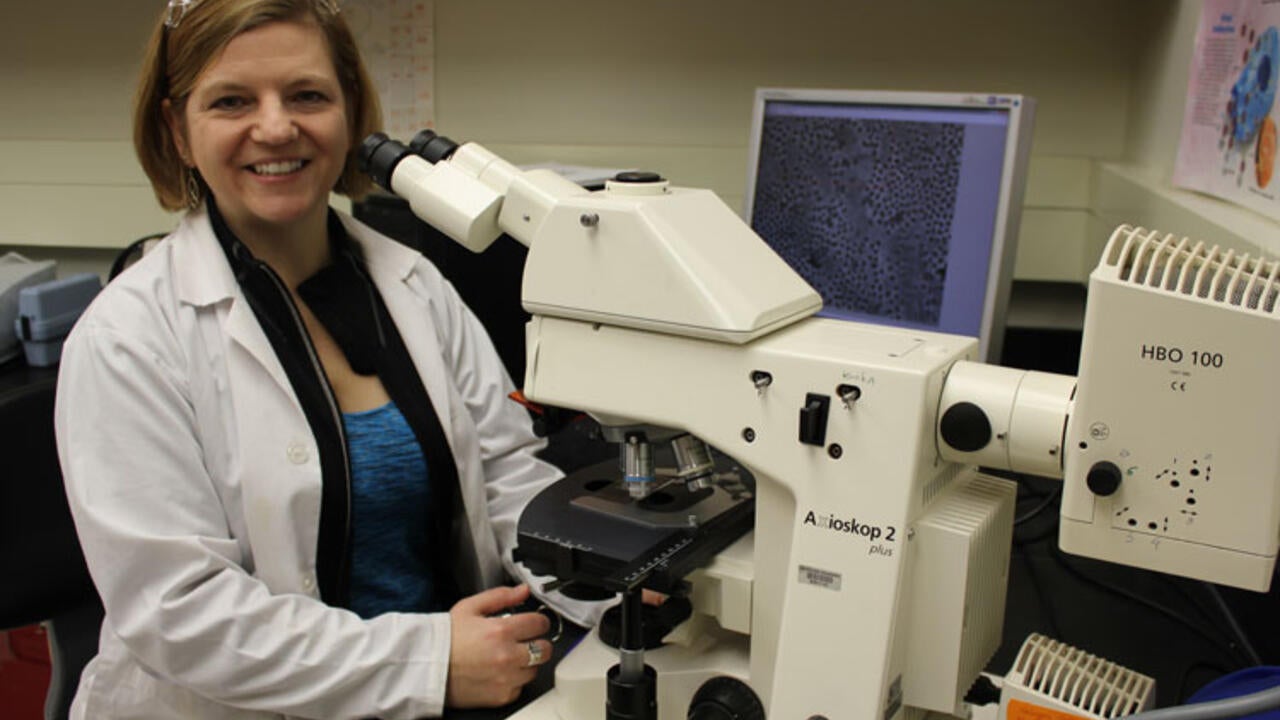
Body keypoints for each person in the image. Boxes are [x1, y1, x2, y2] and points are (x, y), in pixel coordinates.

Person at [53, 0, 603, 717]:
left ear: (350, 113)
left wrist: (604, 578)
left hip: (453, 688)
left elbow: (504, 473)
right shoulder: (128, 339)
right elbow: (181, 615)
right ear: (177, 132)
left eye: (308, 95)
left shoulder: (415, 284)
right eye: (231, 101)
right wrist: (427, 662)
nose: (277, 126)